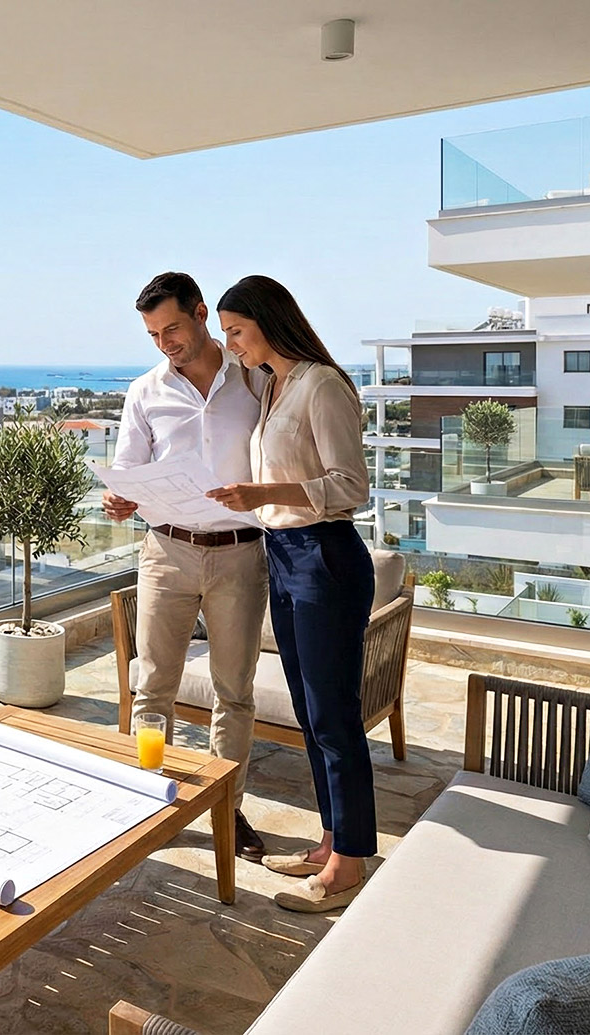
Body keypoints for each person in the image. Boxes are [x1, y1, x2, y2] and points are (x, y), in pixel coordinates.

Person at [205, 275, 375, 913]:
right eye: (226, 335)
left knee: (334, 715)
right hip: (283, 554)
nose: (233, 346)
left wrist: (261, 496)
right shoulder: (270, 384)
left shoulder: (322, 386)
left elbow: (351, 485)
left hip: (324, 556)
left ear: (269, 323)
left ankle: (350, 864)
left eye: (238, 332)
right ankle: (333, 840)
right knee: (311, 713)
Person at [104, 272, 269, 863]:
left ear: (201, 314)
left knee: (234, 692)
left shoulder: (255, 377)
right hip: (166, 552)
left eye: (172, 327)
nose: (164, 342)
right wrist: (118, 499)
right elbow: (127, 468)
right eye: (153, 333)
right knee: (152, 687)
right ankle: (149, 798)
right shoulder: (145, 392)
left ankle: (229, 806)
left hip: (240, 553)